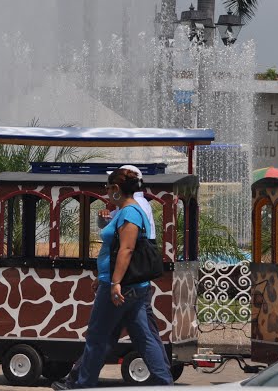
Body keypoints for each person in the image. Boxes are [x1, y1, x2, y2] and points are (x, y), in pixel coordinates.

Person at [53, 167, 172, 390]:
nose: (106, 192)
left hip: (121, 287)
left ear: (116, 189)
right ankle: (164, 384)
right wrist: (103, 276)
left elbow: (126, 249)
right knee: (145, 338)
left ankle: (82, 384)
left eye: (107, 188)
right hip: (130, 286)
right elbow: (117, 249)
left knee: (97, 337)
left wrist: (114, 282)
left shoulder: (129, 213)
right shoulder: (130, 211)